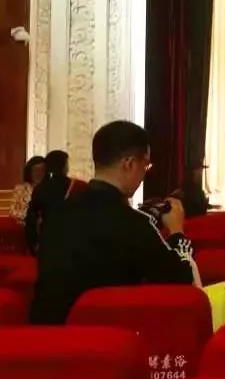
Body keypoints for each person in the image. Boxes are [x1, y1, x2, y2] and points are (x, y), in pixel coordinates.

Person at [30, 121, 197, 325]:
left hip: (48, 337)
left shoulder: (57, 215)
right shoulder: (134, 224)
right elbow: (181, 278)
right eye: (145, 165)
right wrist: (177, 231)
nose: (144, 175)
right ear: (129, 164)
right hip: (107, 338)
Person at [24, 150, 86, 254]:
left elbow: (31, 219)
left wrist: (33, 245)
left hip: (48, 241)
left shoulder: (40, 189)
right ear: (65, 167)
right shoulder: (79, 186)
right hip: (72, 241)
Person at [9, 155, 46, 223]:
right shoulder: (20, 189)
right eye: (35, 170)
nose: (38, 173)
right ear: (29, 172)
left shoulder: (49, 189)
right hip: (25, 225)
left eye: (42, 170)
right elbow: (13, 212)